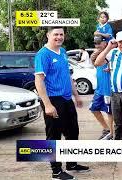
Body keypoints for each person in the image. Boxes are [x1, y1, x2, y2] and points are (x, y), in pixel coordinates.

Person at [34, 27, 89, 180]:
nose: (59, 37)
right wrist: (48, 105)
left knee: (73, 132)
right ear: (48, 35)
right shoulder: (43, 55)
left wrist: (76, 95)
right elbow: (39, 81)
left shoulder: (63, 52)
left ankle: (71, 163)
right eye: (55, 34)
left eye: (61, 34)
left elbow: (68, 76)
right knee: (54, 136)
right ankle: (56, 171)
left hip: (66, 99)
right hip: (53, 100)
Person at [89, 36, 114, 140]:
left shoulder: (111, 53)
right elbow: (95, 63)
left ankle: (111, 134)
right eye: (95, 43)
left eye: (99, 43)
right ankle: (107, 129)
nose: (97, 45)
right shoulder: (96, 54)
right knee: (94, 109)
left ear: (105, 43)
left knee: (109, 112)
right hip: (99, 89)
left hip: (108, 89)